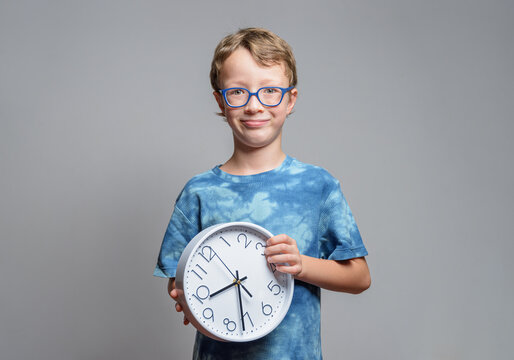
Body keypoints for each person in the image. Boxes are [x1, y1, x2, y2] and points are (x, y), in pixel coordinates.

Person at [154, 27, 371, 359]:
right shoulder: (200, 192)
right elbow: (178, 278)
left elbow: (359, 277)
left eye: (270, 91)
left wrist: (301, 265)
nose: (255, 105)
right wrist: (186, 297)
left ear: (290, 100)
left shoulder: (318, 186)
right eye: (238, 92)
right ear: (219, 100)